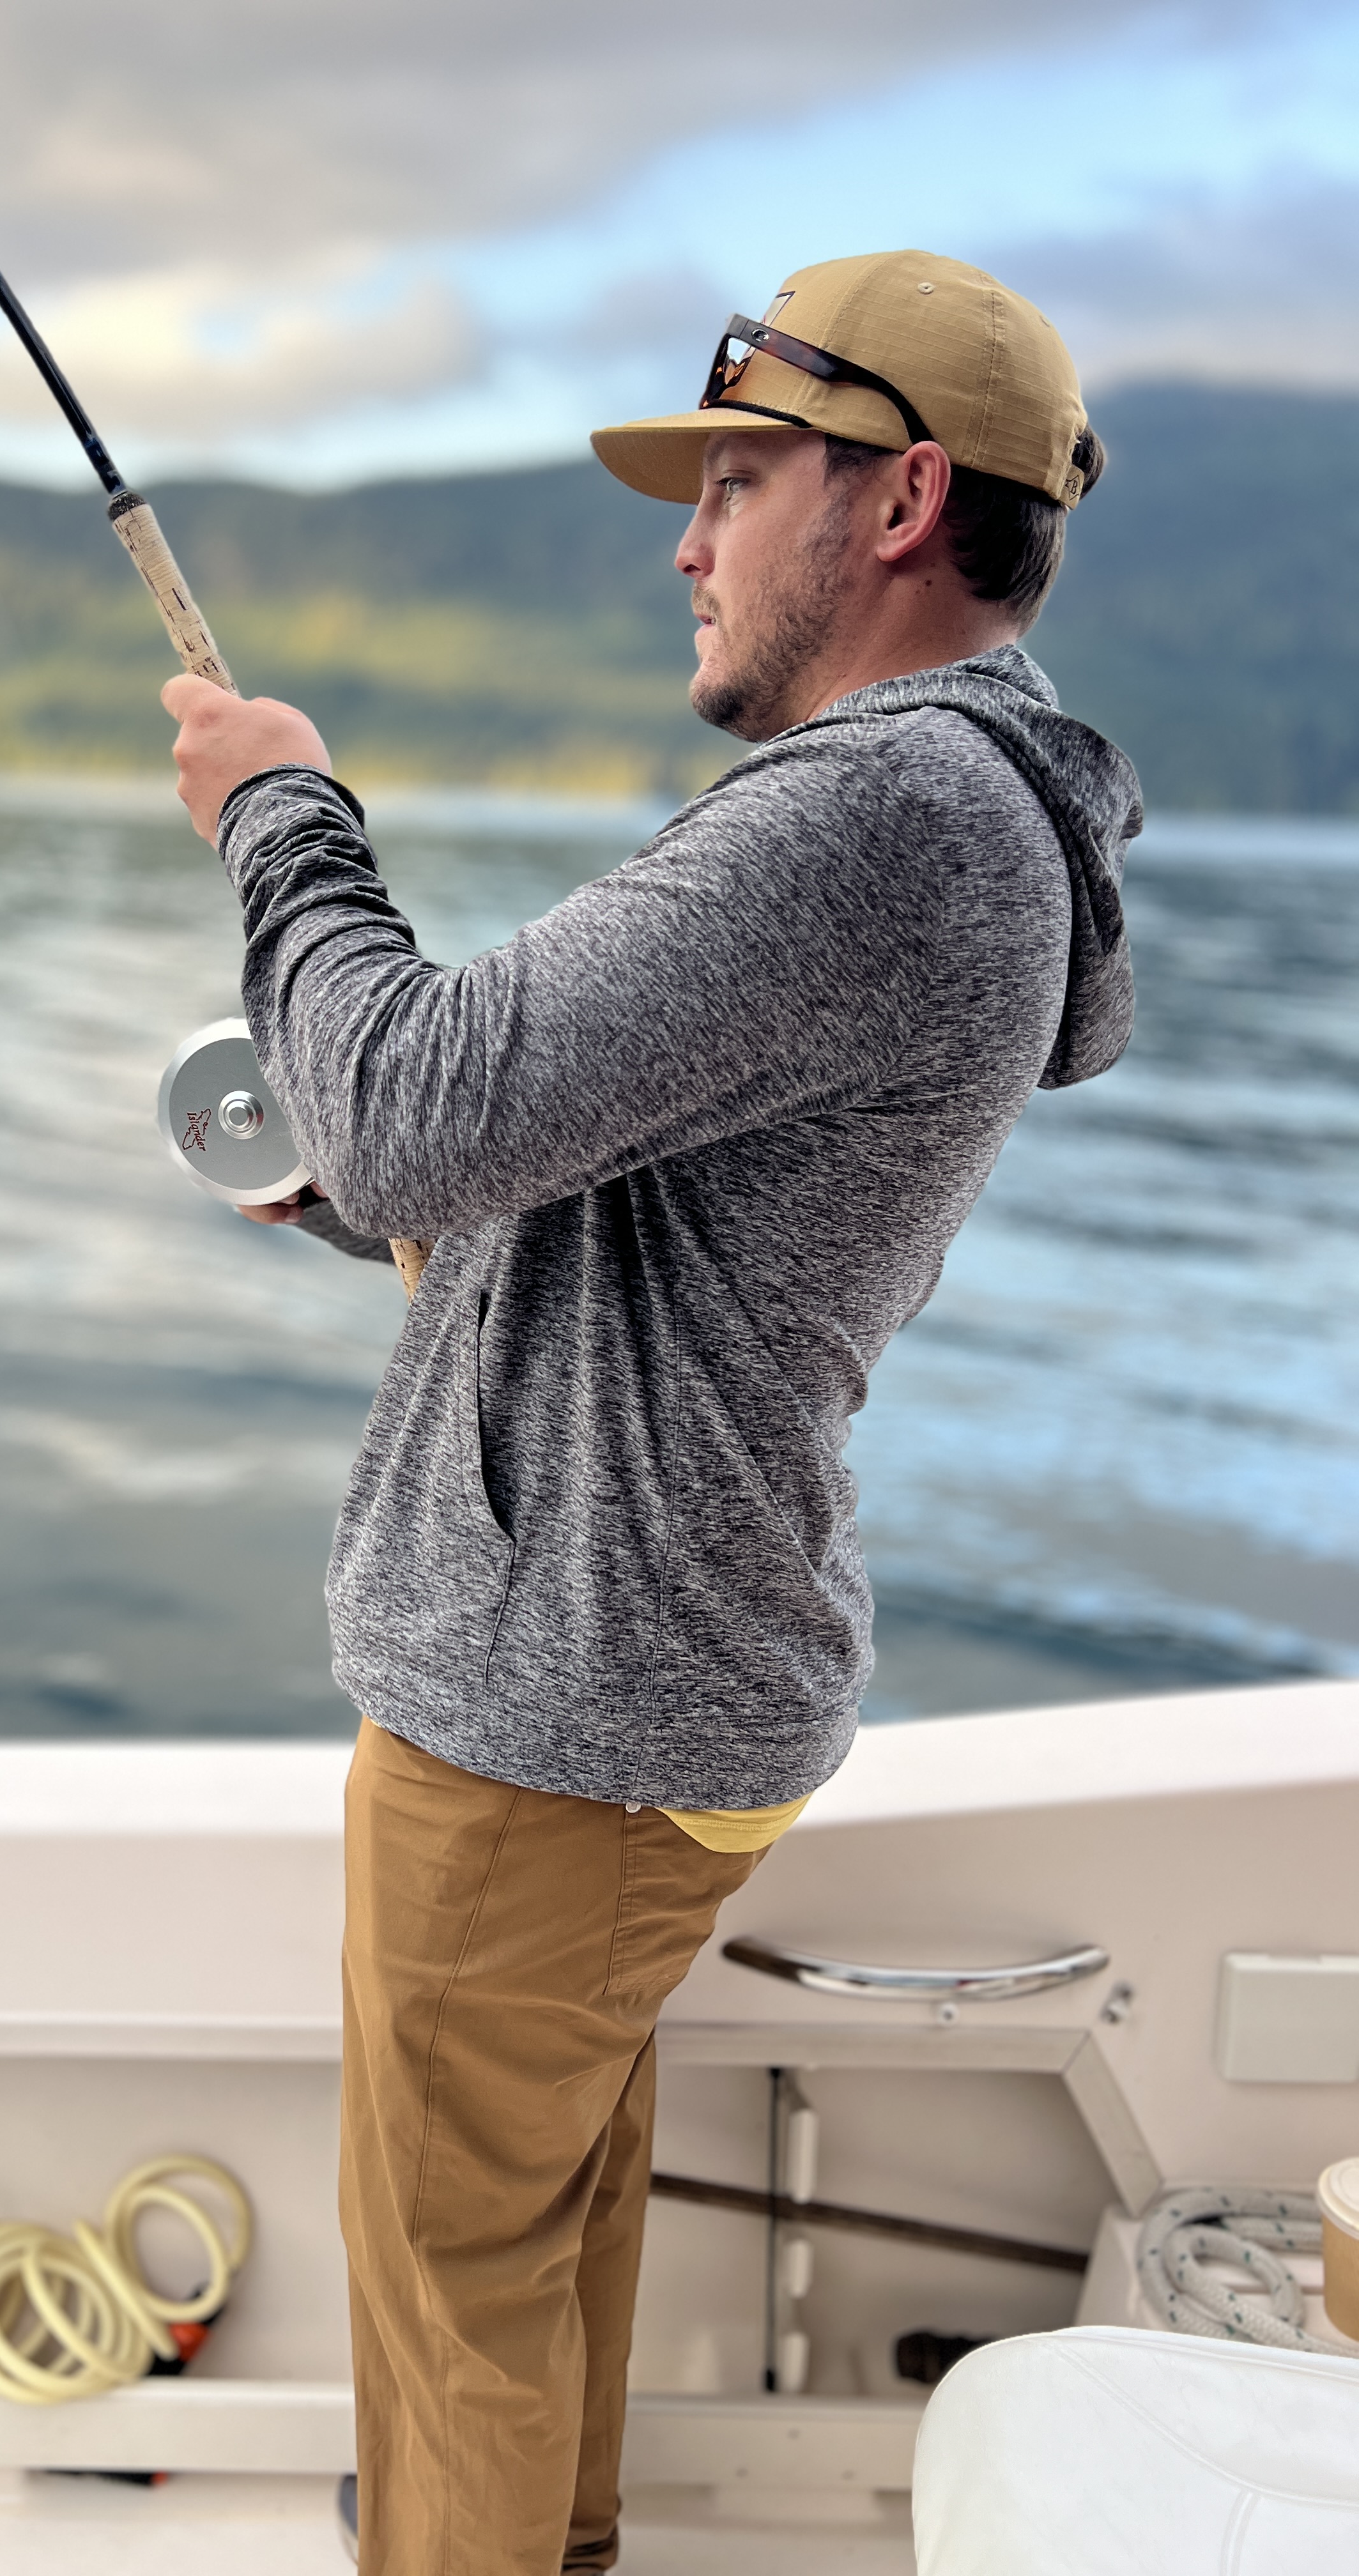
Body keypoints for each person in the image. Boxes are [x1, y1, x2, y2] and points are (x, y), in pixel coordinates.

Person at [160, 249, 1141, 2576]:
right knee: (549, 2211)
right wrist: (363, 1193)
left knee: (451, 2281)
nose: (685, 546)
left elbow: (415, 1101)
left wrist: (278, 816)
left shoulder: (885, 814)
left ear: (900, 498)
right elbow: (571, 1188)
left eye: (735, 483)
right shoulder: (937, 825)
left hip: (556, 1712)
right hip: (650, 1677)